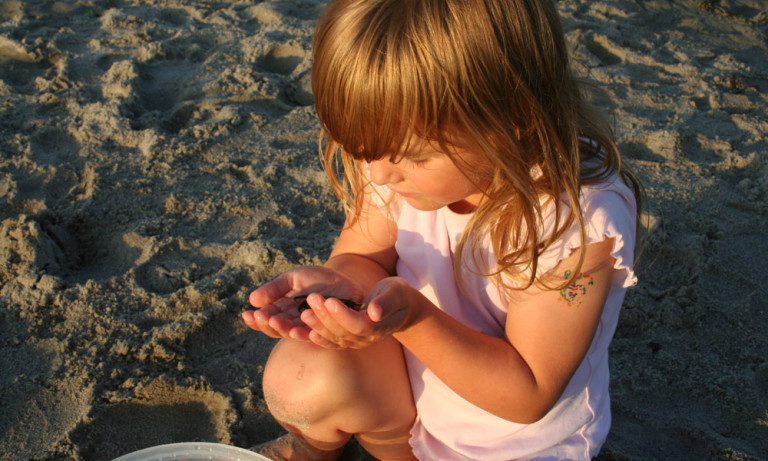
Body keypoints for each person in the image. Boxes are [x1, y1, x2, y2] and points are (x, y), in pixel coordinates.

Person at [241, 0, 643, 459]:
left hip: (515, 446)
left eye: (413, 156)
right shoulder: (394, 162)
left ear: (513, 121)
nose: (378, 175)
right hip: (411, 406)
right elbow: (366, 254)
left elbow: (528, 392)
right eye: (361, 149)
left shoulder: (575, 223)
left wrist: (413, 318)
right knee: (304, 372)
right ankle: (331, 447)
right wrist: (346, 287)